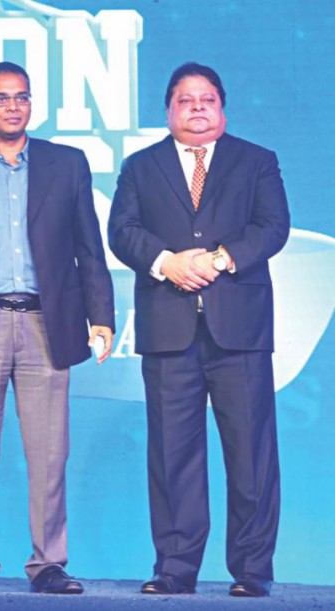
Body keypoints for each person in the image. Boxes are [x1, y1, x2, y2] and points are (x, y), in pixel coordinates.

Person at [108, 62, 289, 598]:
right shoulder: (141, 167)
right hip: (169, 329)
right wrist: (167, 262)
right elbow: (122, 231)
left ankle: (252, 571)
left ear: (223, 107)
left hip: (240, 329)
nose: (197, 108)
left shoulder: (257, 161)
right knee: (172, 454)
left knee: (252, 455)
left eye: (207, 99)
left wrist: (220, 258)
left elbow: (272, 227)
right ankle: (175, 569)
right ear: (168, 110)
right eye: (186, 100)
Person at [0, 61, 114, 596]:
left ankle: (49, 563)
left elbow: (90, 246)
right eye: (1, 98)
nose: (12, 106)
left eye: (21, 98)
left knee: (48, 452)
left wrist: (101, 316)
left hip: (46, 320)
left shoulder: (66, 164)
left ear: (31, 104)